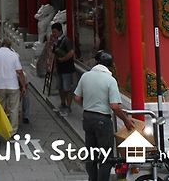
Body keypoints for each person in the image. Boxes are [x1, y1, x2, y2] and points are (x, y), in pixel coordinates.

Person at [73, 51, 134, 181]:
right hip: (102, 120)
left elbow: (77, 98)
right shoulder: (110, 80)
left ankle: (92, 179)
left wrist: (88, 106)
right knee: (106, 157)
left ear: (97, 62)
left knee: (91, 154)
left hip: (87, 118)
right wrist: (126, 120)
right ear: (110, 66)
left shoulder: (85, 76)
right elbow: (114, 106)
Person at [0, 38, 27, 136]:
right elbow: (20, 72)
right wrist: (23, 85)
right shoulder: (14, 55)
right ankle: (12, 130)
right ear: (10, 46)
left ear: (1, 44)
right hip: (13, 85)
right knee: (13, 109)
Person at [50, 22, 76, 111]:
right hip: (60, 68)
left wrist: (63, 59)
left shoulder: (66, 40)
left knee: (67, 88)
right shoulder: (55, 41)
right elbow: (54, 53)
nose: (53, 34)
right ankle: (63, 103)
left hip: (67, 68)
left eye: (55, 32)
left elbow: (71, 52)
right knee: (60, 87)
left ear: (60, 31)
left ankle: (69, 106)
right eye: (52, 32)